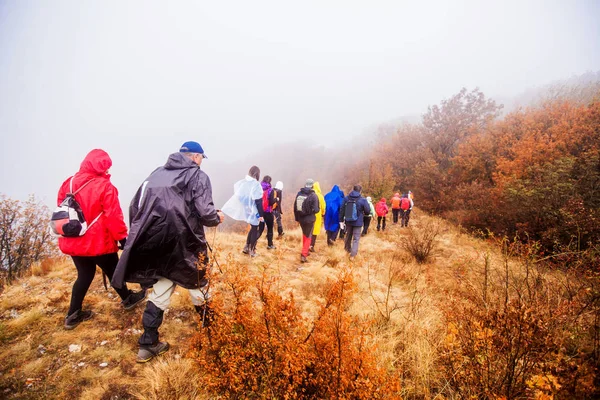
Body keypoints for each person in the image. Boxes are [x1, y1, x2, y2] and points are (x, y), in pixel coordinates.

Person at [112, 141, 225, 363]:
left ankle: (148, 344)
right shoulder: (198, 176)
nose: (201, 162)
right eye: (201, 158)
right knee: (198, 285)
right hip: (186, 243)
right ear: (195, 157)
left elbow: (135, 206)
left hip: (155, 242)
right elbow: (205, 213)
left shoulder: (155, 174)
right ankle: (214, 333)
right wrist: (216, 217)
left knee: (161, 289)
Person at [57, 149, 147, 330]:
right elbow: (113, 216)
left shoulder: (69, 183)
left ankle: (73, 315)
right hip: (97, 241)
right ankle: (128, 299)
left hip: (73, 239)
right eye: (106, 168)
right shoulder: (104, 186)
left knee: (84, 275)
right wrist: (122, 237)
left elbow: (62, 209)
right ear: (102, 167)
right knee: (114, 270)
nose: (108, 171)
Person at [222, 166, 264, 257]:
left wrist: (246, 205)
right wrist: (260, 214)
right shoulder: (256, 184)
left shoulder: (243, 182)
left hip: (247, 209)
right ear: (257, 174)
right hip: (254, 210)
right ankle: (252, 250)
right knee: (254, 228)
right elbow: (258, 201)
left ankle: (246, 247)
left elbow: (240, 196)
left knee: (252, 228)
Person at [339, 185, 371, 259]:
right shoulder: (363, 200)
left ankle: (347, 250)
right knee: (356, 238)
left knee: (348, 236)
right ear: (360, 191)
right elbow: (367, 211)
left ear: (353, 190)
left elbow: (342, 209)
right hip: (358, 222)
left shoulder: (346, 198)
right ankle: (353, 255)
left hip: (348, 220)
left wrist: (341, 220)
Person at [293, 179, 320, 263]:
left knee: (305, 234)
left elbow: (295, 207)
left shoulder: (299, 193)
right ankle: (304, 255)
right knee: (308, 236)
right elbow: (316, 210)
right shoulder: (313, 195)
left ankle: (305, 251)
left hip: (301, 219)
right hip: (310, 219)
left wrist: (297, 218)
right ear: (312, 186)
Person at [257, 175, 277, 250]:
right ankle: (270, 245)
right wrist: (276, 199)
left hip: (260, 212)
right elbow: (271, 202)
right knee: (270, 228)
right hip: (268, 212)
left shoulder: (259, 188)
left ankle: (251, 244)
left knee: (260, 229)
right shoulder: (270, 190)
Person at [310, 181, 326, 252]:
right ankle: (311, 245)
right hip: (317, 215)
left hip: (310, 214)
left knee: (309, 230)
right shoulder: (320, 196)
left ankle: (307, 245)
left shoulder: (310, 194)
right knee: (315, 231)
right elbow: (323, 206)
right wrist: (323, 213)